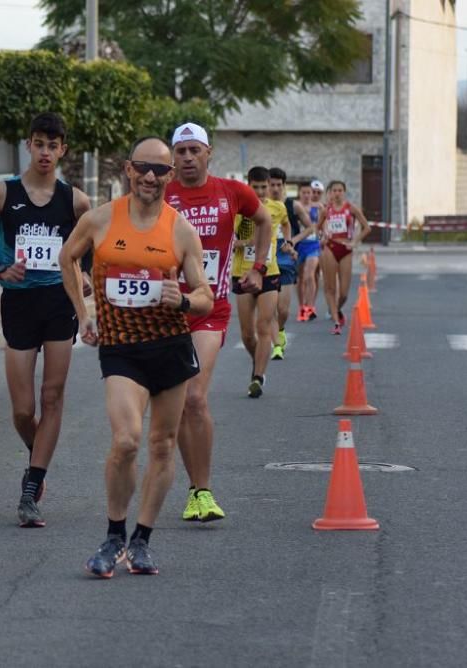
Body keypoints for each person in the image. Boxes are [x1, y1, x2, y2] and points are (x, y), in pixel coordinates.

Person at [59, 136, 214, 578]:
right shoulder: (100, 220)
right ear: (128, 169)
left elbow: (204, 295)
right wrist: (83, 314)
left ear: (169, 176)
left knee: (163, 445)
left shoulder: (180, 229)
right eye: (143, 168)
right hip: (121, 347)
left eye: (160, 171)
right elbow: (67, 258)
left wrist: (182, 300)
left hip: (170, 348)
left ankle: (141, 540)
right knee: (126, 440)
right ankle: (113, 534)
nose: (151, 177)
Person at [0, 112, 91, 528]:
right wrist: (1, 270)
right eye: (39, 143)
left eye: (53, 145)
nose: (45, 152)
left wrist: (88, 277)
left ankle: (31, 487)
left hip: (58, 302)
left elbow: (86, 251)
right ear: (29, 145)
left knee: (52, 397)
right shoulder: (2, 194)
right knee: (23, 410)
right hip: (19, 305)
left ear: (63, 150)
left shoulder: (75, 201)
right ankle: (37, 452)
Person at [165, 122, 272, 522]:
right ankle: (194, 491)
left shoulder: (232, 192)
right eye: (182, 151)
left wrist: (258, 267)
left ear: (209, 153)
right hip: (166, 309)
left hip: (210, 309)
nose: (188, 158)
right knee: (176, 406)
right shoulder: (162, 192)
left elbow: (264, 221)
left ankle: (205, 489)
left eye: (195, 150)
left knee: (194, 397)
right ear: (172, 159)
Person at [233, 167, 286, 397]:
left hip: (269, 271)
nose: (262, 191)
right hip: (242, 273)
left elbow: (286, 225)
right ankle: (259, 361)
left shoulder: (277, 207)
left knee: (263, 326)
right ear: (249, 186)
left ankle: (258, 376)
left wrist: (289, 242)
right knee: (246, 334)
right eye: (257, 187)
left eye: (265, 187)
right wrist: (241, 242)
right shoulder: (237, 209)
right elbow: (230, 237)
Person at [319, 180, 371, 335]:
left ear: (344, 192)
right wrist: (322, 235)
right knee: (330, 287)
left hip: (346, 248)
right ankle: (336, 321)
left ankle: (336, 308)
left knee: (344, 293)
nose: (337, 193)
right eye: (334, 190)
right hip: (330, 247)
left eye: (340, 190)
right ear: (330, 192)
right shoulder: (326, 210)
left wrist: (355, 241)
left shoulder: (351, 208)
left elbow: (367, 228)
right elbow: (317, 227)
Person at [268, 169, 309, 360]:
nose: (275, 188)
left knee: (283, 309)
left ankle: (281, 330)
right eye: (272, 184)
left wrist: (292, 241)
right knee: (269, 307)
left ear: (284, 186)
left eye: (278, 185)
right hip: (267, 259)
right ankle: (276, 345)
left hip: (285, 258)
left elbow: (311, 227)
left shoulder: (293, 206)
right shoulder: (259, 206)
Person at [295, 180, 325, 322]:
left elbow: (323, 225)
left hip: (313, 244)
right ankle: (302, 306)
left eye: (310, 193)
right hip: (299, 245)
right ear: (299, 193)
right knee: (300, 278)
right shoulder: (295, 207)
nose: (308, 195)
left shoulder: (318, 207)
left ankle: (310, 306)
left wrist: (323, 237)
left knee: (309, 274)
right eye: (305, 193)